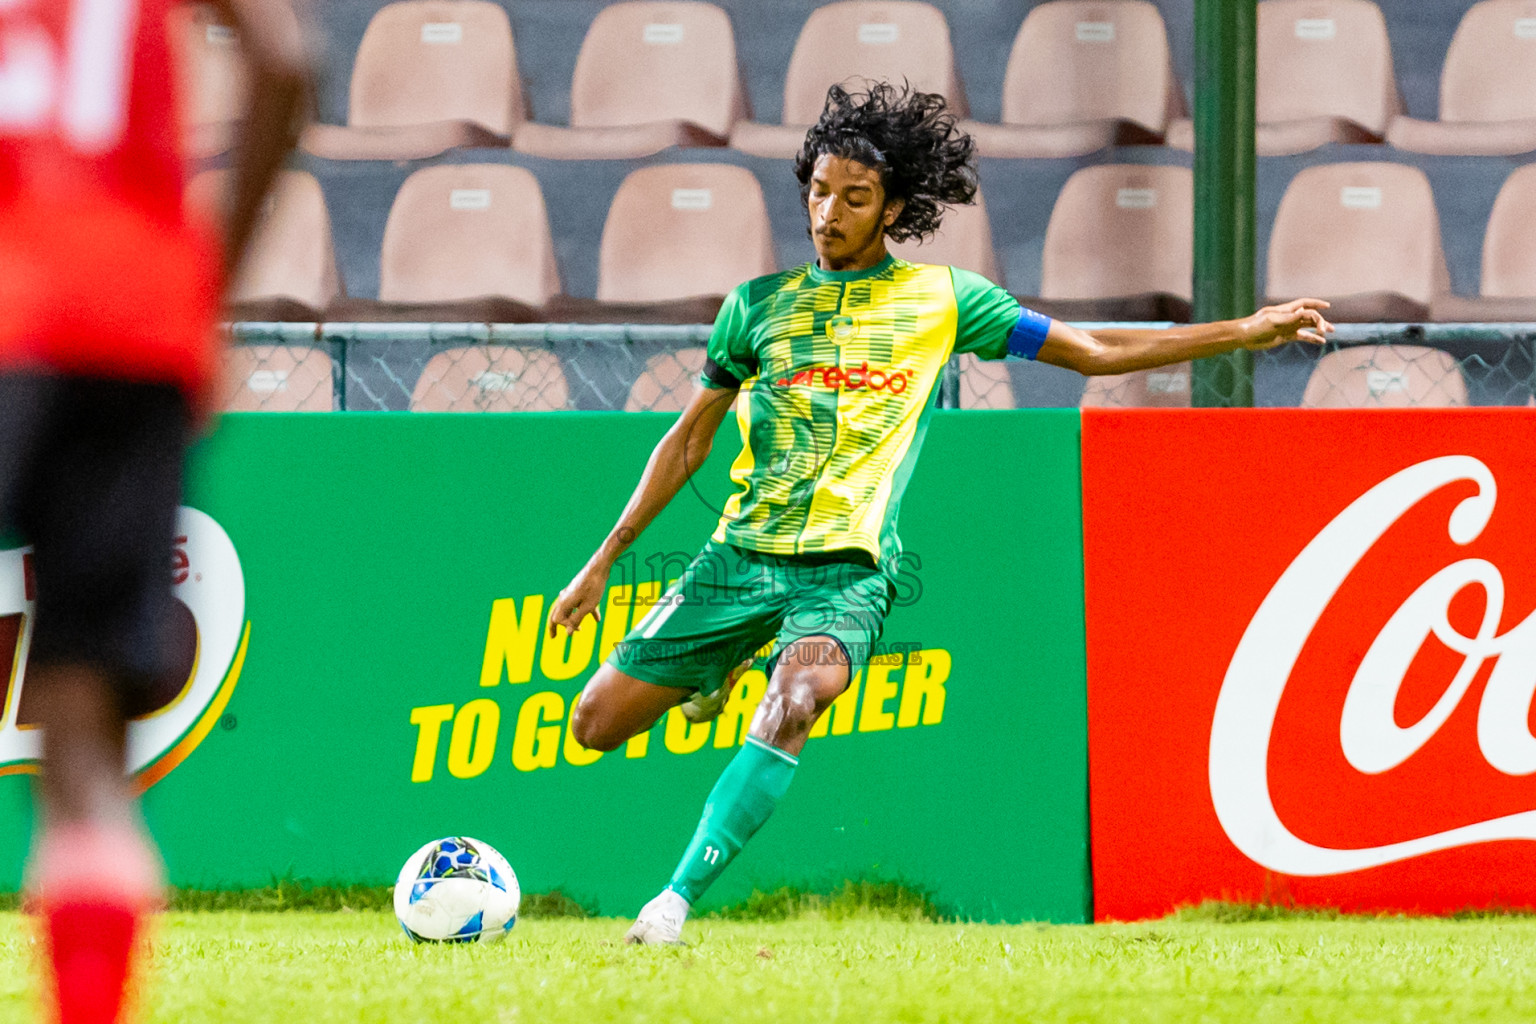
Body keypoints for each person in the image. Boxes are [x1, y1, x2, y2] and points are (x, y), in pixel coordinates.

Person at [547, 82, 1333, 945]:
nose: (829, 213)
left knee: (799, 693)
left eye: (854, 198)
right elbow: (688, 442)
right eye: (819, 192)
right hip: (738, 558)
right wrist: (602, 561)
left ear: (893, 208)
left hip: (846, 575)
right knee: (593, 726)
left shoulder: (945, 299)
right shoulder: (756, 306)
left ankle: (673, 901)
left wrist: (1243, 329)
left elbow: (1095, 353)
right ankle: (714, 669)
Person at [0, 1, 307, 1020]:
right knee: (81, 737)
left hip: (14, 311)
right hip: (133, 324)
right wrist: (202, 293)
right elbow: (287, 58)